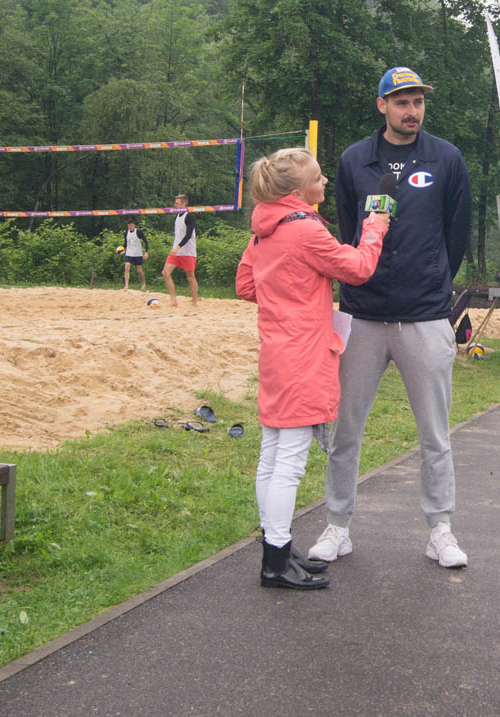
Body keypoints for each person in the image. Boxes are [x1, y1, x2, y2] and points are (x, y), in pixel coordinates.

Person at [308, 66, 472, 569]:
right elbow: (346, 227)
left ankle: (440, 529)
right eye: (401, 101)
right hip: (363, 314)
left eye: (418, 101)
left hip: (424, 314)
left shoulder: (446, 158)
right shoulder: (355, 160)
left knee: (435, 433)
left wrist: (435, 285)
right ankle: (337, 526)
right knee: (345, 430)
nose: (411, 111)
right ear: (382, 105)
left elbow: (456, 232)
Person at [235, 148, 390, 589]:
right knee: (289, 463)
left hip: (276, 351)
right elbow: (359, 268)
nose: (325, 183)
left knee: (272, 453)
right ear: (298, 191)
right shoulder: (304, 229)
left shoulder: (264, 228)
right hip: (304, 355)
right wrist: (375, 225)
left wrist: (286, 290)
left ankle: (276, 547)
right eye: (319, 178)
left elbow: (246, 285)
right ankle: (276, 563)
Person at [163, 194, 199, 306]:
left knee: (190, 277)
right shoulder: (176, 217)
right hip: (176, 252)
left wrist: (178, 247)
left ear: (184, 204)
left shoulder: (190, 217)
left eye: (177, 203)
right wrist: (175, 248)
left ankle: (194, 301)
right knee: (165, 273)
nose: (175, 205)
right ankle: (174, 301)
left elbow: (188, 235)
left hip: (188, 252)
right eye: (175, 203)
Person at [122, 218, 149, 291]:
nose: (129, 227)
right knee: (127, 267)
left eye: (130, 225)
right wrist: (121, 249)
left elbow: (146, 241)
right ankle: (126, 285)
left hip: (137, 253)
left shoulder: (138, 232)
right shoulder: (126, 233)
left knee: (139, 270)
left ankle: (143, 283)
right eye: (128, 226)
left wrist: (146, 252)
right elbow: (125, 243)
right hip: (129, 253)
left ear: (134, 225)